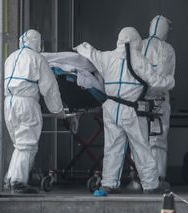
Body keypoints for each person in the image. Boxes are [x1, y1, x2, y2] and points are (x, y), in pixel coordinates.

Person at [74, 27, 175, 194]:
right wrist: (170, 81)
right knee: (141, 147)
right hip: (131, 110)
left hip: (111, 108)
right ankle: (151, 185)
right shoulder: (139, 60)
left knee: (112, 147)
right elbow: (156, 82)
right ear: (136, 41)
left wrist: (79, 47)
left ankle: (109, 183)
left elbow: (91, 52)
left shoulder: (107, 56)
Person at [4, 29, 64, 193]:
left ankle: (10, 178)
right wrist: (58, 110)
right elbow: (50, 87)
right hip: (26, 103)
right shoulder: (37, 58)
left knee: (20, 144)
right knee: (27, 144)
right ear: (37, 42)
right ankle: (18, 182)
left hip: (8, 103)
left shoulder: (10, 58)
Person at [142, 15, 176, 184]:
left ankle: (139, 178)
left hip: (138, 101)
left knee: (139, 138)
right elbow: (164, 75)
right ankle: (158, 177)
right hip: (159, 100)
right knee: (158, 138)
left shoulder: (138, 45)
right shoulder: (166, 48)